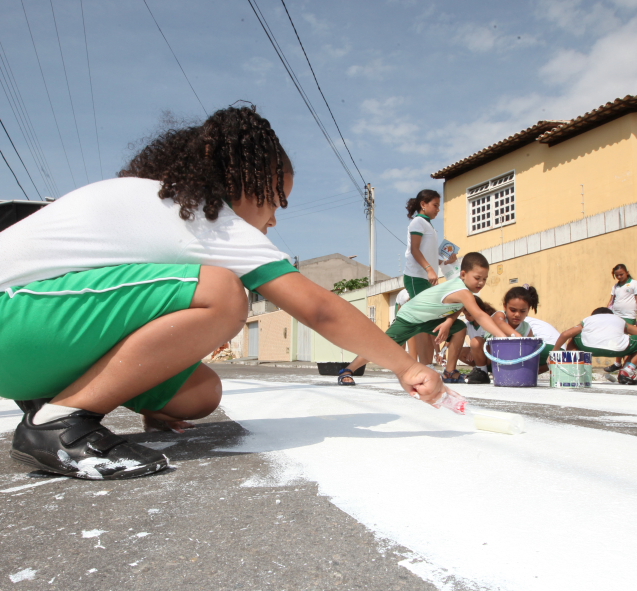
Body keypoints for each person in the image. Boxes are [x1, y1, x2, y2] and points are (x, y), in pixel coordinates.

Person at [0, 106, 448, 481]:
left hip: (30, 345)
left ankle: (57, 399)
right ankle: (57, 425)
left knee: (201, 393)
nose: (273, 221)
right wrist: (408, 367)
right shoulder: (202, 216)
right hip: (11, 320)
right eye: (275, 202)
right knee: (224, 292)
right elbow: (319, 309)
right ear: (241, 186)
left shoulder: (164, 207)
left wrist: (148, 398)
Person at [338, 252, 510, 385]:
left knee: (459, 327)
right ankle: (348, 370)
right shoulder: (464, 292)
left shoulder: (462, 288)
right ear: (463, 274)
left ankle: (450, 372)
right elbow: (480, 315)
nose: (481, 282)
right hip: (409, 318)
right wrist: (503, 338)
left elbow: (458, 308)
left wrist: (449, 322)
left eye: (485, 279)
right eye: (477, 278)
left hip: (428, 320)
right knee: (381, 346)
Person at [402, 190, 457, 366]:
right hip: (416, 276)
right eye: (435, 205)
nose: (438, 209)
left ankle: (427, 365)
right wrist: (429, 269)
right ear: (423, 204)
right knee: (422, 321)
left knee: (427, 321)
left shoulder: (429, 225)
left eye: (439, 206)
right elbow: (415, 250)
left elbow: (428, 254)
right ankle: (424, 366)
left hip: (425, 277)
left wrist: (445, 261)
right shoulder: (418, 222)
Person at [554, 307, 637, 385]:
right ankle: (628, 369)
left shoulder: (588, 320)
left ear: (593, 315)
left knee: (574, 336)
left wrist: (555, 352)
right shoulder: (619, 319)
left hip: (588, 347)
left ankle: (573, 367)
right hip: (618, 348)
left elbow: (565, 334)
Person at [465, 285, 534, 384]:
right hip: (489, 356)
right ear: (505, 306)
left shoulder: (527, 328)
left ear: (528, 311)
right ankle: (482, 371)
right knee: (476, 341)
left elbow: (530, 350)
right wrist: (518, 337)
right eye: (513, 310)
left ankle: (515, 372)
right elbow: (500, 323)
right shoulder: (499, 316)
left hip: (510, 360)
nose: (517, 314)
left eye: (523, 311)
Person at [604, 264, 637, 373]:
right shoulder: (616, 286)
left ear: (627, 272)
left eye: (621, 274)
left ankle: (628, 364)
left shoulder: (634, 284)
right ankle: (618, 363)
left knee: (627, 340)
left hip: (629, 316)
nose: (619, 277)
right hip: (616, 316)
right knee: (618, 338)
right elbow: (611, 300)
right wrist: (607, 313)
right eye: (617, 275)